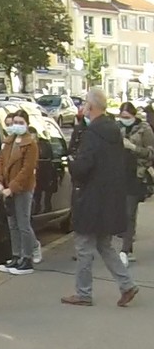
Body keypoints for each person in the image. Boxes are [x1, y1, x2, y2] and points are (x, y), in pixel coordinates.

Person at [63, 88, 140, 308]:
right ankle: (127, 284)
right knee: (104, 245)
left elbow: (84, 166)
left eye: (85, 103)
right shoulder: (113, 130)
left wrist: (72, 163)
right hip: (109, 197)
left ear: (91, 106)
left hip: (90, 198)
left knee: (84, 246)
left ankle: (83, 292)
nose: (83, 106)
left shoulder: (93, 134)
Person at [0, 109, 41, 276]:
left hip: (22, 188)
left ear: (27, 124)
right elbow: (1, 162)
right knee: (12, 224)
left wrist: (11, 187)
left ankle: (27, 258)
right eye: (15, 122)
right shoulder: (8, 141)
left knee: (23, 223)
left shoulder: (30, 144)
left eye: (21, 123)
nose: (17, 125)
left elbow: (27, 170)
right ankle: (16, 255)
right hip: (7, 187)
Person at [116, 101, 153, 264]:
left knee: (129, 212)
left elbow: (150, 153)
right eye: (122, 116)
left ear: (133, 115)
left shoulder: (144, 129)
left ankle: (126, 249)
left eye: (127, 117)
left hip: (136, 175)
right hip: (118, 175)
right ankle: (124, 241)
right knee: (120, 212)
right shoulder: (117, 128)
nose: (125, 119)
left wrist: (132, 147)